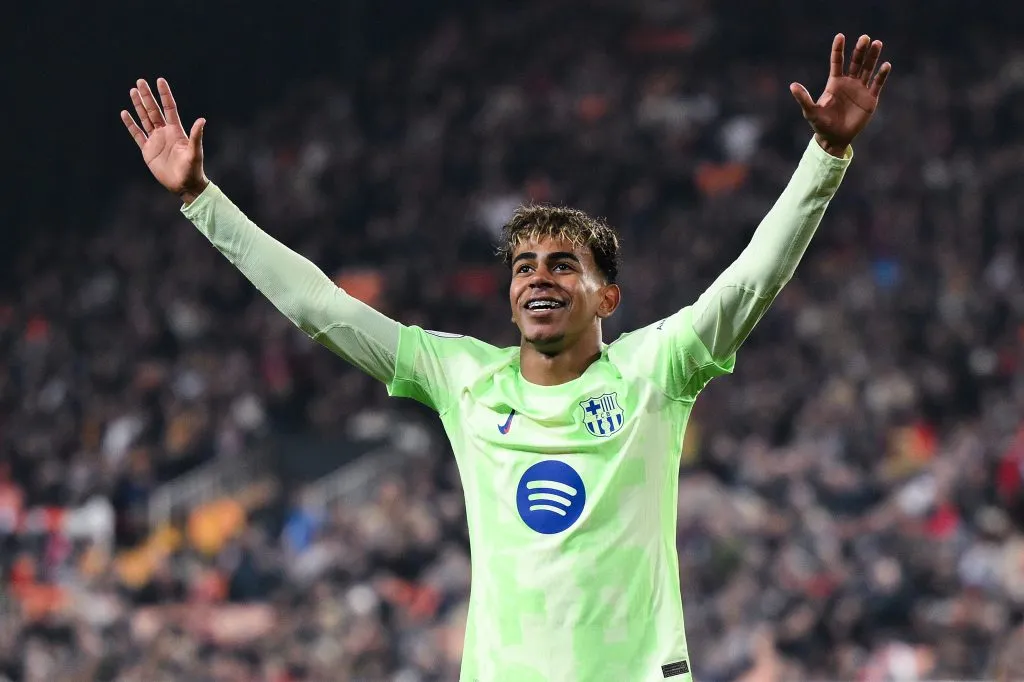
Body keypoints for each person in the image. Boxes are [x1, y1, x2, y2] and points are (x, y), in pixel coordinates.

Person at [120, 33, 891, 682]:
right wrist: (202, 201)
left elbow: (753, 278)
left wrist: (826, 153)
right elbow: (321, 309)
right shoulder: (463, 379)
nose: (538, 277)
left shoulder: (657, 371)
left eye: (563, 264)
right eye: (524, 266)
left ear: (607, 298)